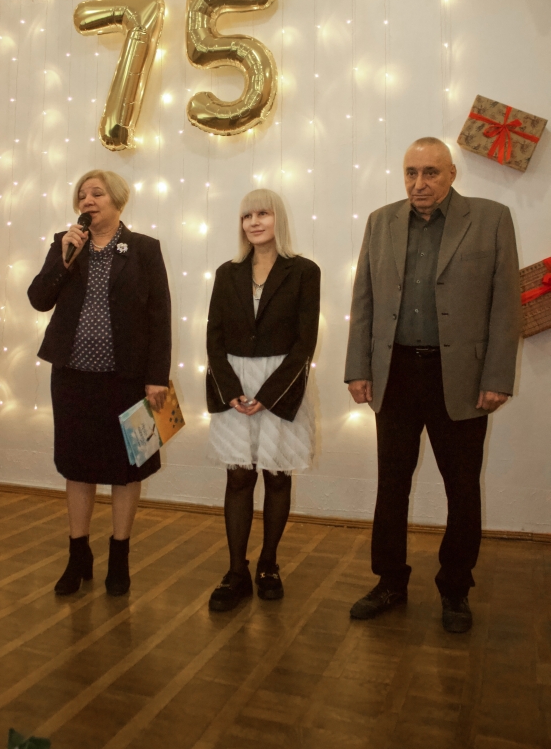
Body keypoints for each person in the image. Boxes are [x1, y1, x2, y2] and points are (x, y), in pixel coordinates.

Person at [345, 138, 521, 633]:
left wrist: (497, 377)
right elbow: (364, 300)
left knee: (462, 488)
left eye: (430, 173)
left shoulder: (491, 219)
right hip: (396, 373)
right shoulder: (381, 222)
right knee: (391, 485)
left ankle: (455, 588)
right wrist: (358, 368)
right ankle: (389, 581)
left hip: (460, 377)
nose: (418, 183)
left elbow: (505, 304)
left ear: (451, 175)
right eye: (410, 173)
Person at [28, 169, 171, 597]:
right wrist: (63, 258)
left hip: (127, 380)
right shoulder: (65, 242)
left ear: (118, 201)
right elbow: (39, 299)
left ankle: (120, 556)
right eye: (82, 194)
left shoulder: (144, 248)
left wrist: (156, 378)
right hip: (72, 378)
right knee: (78, 466)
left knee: (127, 470)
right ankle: (78, 555)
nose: (87, 200)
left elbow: (159, 316)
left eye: (97, 193)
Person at [206, 189, 321, 612]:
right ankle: (236, 571)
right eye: (246, 216)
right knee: (238, 478)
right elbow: (214, 337)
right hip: (235, 383)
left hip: (281, 383)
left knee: (276, 476)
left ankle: (268, 564)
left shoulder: (304, 271)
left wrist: (269, 395)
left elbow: (305, 343)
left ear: (278, 219)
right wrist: (231, 389)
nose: (254, 222)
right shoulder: (227, 273)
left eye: (262, 213)